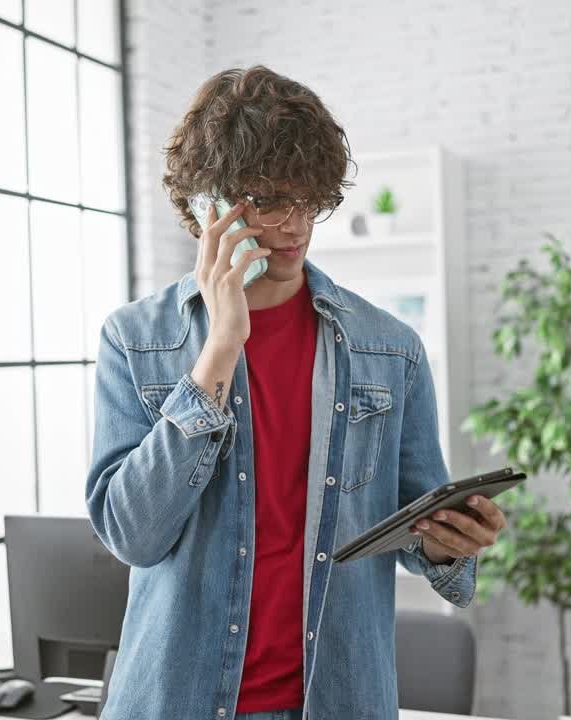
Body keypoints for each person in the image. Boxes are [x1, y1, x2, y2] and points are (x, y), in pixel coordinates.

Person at [85, 65, 507, 720]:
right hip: (177, 702)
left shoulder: (390, 348)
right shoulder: (137, 340)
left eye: (311, 201)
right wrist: (219, 352)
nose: (296, 225)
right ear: (208, 203)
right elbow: (133, 535)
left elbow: (418, 523)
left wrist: (445, 545)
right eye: (272, 201)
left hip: (337, 700)